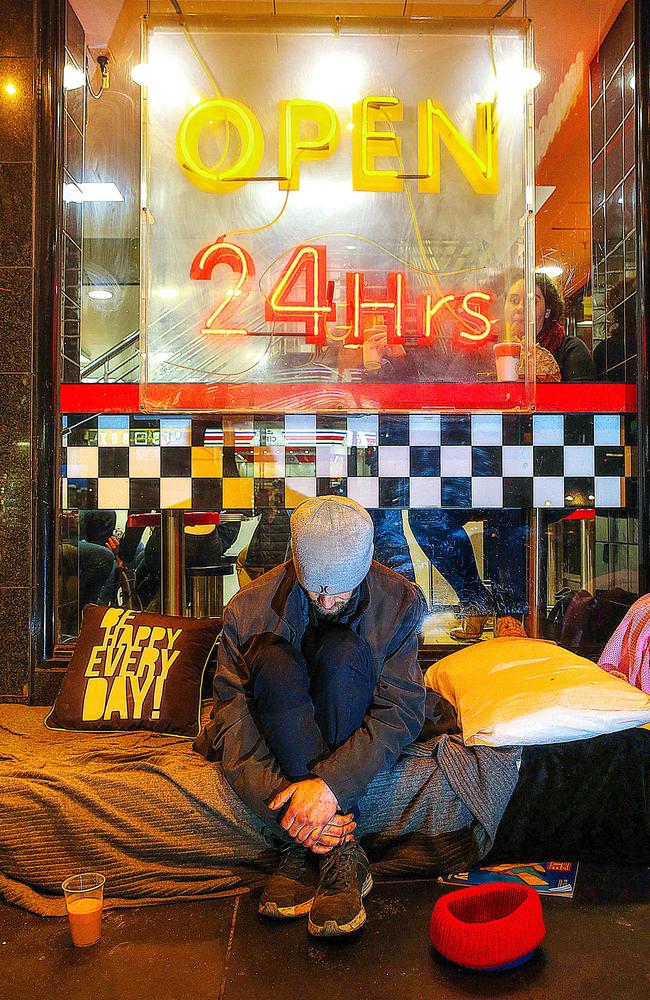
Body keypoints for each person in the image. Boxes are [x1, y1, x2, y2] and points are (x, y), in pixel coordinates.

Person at [197, 496, 427, 938]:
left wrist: (331, 786)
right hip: (282, 717)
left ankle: (324, 847)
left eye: (339, 587)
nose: (325, 599)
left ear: (365, 568)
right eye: (314, 586)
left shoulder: (398, 600)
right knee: (271, 658)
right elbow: (232, 718)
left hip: (348, 697)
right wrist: (290, 805)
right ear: (296, 564)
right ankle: (327, 845)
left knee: (342, 651)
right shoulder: (247, 609)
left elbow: (400, 709)